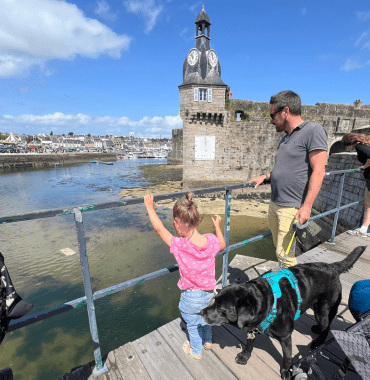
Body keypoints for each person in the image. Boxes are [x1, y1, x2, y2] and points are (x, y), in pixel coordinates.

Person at [249, 90, 328, 267]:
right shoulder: (285, 138)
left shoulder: (313, 131)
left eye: (272, 115)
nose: (271, 120)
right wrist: (266, 176)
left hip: (291, 206)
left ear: (285, 111)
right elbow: (285, 168)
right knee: (279, 248)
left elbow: (319, 171)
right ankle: (288, 282)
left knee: (285, 255)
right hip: (275, 203)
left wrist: (307, 207)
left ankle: (293, 291)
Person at [144, 192, 225, 360]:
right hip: (209, 292)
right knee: (206, 316)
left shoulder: (180, 246)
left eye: (174, 223)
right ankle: (208, 341)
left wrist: (150, 208)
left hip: (191, 296)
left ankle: (195, 350)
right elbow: (222, 245)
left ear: (178, 223)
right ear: (198, 221)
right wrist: (217, 226)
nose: (173, 226)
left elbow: (160, 229)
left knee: (192, 324)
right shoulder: (210, 241)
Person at [341, 133, 370, 237]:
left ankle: (363, 229)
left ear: (350, 143)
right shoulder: (364, 145)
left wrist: (364, 167)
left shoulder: (359, 146)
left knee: (368, 204)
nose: (347, 149)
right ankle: (365, 229)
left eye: (346, 146)